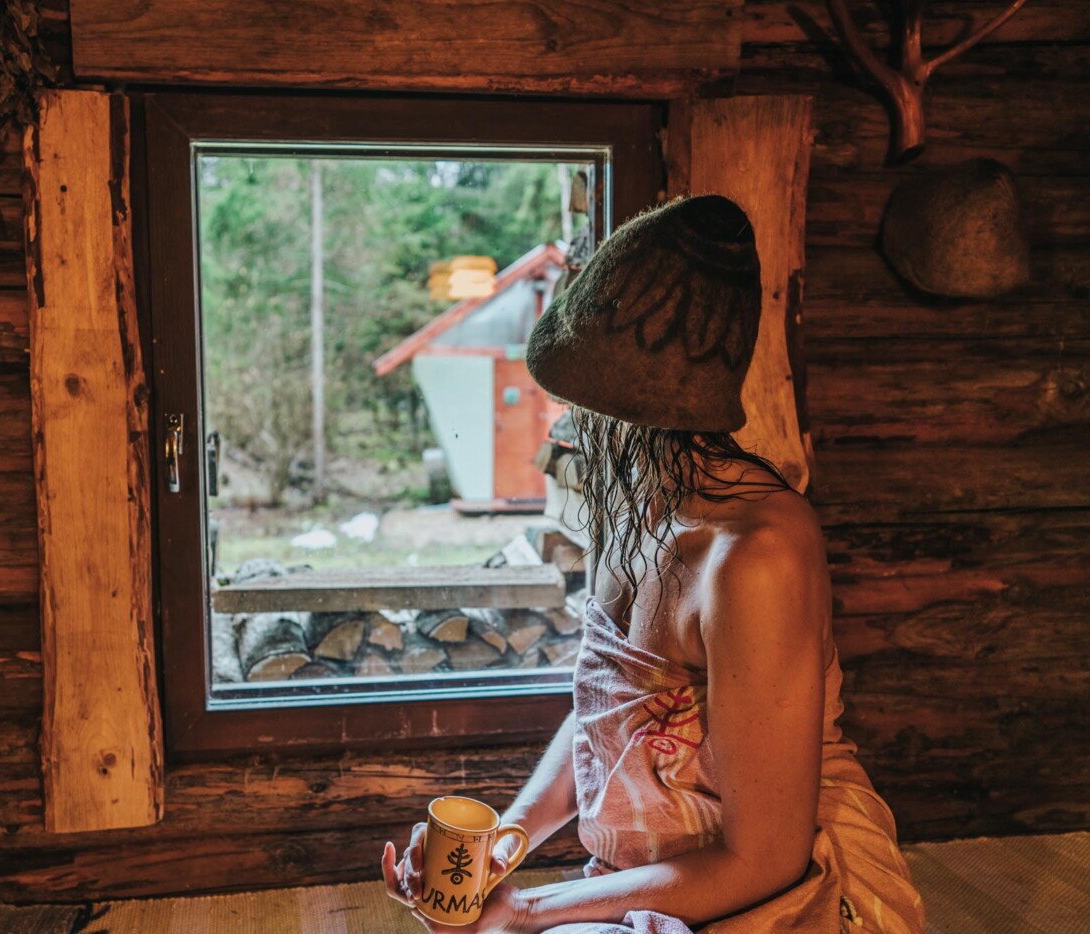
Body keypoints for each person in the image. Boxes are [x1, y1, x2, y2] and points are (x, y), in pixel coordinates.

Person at [381, 195, 926, 933]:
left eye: (577, 400)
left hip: (787, 886)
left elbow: (766, 859)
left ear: (632, 408)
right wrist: (497, 850)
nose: (563, 422)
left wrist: (527, 911)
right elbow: (605, 716)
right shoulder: (638, 500)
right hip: (660, 872)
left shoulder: (754, 557)